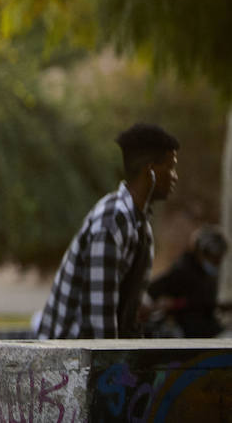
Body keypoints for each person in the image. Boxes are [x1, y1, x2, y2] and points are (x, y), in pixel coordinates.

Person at [34, 123, 180, 339]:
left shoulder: (140, 227)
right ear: (150, 172)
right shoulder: (112, 223)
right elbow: (99, 328)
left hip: (92, 359)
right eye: (170, 167)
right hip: (65, 361)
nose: (175, 176)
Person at [147, 224, 228, 337]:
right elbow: (153, 290)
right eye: (214, 258)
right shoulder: (183, 270)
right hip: (187, 331)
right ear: (201, 253)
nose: (217, 263)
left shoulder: (207, 275)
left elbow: (207, 304)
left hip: (206, 328)